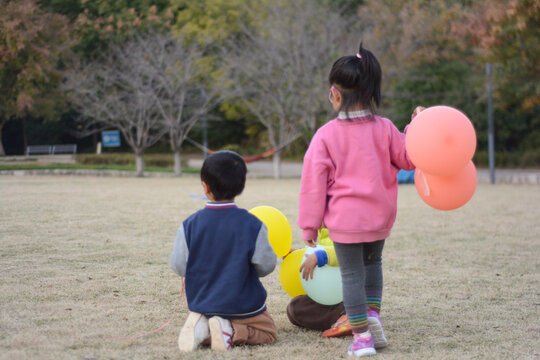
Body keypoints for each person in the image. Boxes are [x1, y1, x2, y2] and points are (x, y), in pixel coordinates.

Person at [297, 43, 418, 357]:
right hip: (380, 217)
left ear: (334, 94)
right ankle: (373, 316)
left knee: (351, 275)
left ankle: (362, 336)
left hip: (346, 222)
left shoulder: (326, 135)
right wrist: (416, 127)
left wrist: (310, 229)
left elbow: (313, 186)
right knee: (373, 264)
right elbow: (409, 158)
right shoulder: (387, 129)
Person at [170, 150, 278, 352]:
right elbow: (266, 266)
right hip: (243, 306)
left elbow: (179, 266)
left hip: (202, 303)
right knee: (268, 333)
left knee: (208, 316)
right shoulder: (253, 225)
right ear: (241, 186)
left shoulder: (189, 225)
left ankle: (203, 328)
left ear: (205, 186)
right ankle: (228, 329)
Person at [286, 228, 351, 337]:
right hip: (333, 294)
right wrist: (299, 257)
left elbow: (350, 251)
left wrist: (321, 256)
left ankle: (351, 314)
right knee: (294, 308)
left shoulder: (342, 221)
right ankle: (347, 315)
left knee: (296, 309)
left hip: (351, 291)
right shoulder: (324, 230)